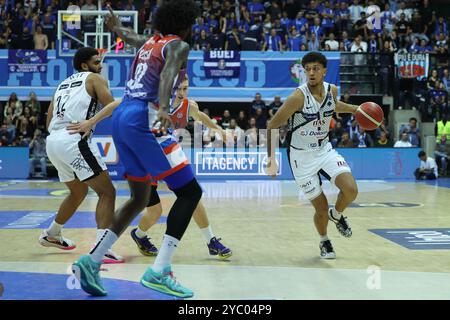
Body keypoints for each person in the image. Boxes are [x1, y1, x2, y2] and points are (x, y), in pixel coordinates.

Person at [70, 1, 201, 298]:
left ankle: (91, 261)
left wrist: (116, 28)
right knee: (190, 192)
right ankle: (160, 270)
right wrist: (166, 107)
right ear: (184, 24)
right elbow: (168, 74)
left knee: (140, 197)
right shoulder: (178, 44)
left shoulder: (151, 42)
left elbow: (130, 38)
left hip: (123, 116)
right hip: (146, 117)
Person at [266, 52, 367, 259]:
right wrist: (271, 158)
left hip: (324, 150)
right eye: (308, 69)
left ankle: (337, 215)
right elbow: (272, 125)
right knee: (320, 208)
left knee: (351, 190)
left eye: (315, 69)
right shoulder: (298, 97)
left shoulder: (332, 90)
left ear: (324, 71)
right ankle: (324, 241)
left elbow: (333, 106)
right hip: (301, 158)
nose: (311, 73)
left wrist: (356, 109)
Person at [127, 76, 232, 259]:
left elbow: (200, 117)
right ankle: (139, 235)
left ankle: (211, 241)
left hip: (167, 152)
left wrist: (219, 131)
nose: (181, 93)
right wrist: (92, 121)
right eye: (178, 89)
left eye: (185, 88)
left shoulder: (189, 105)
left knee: (193, 194)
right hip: (144, 157)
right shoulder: (153, 101)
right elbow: (118, 105)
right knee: (155, 211)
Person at [40, 47, 123, 263]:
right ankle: (101, 248)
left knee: (78, 192)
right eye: (97, 62)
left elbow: (49, 120)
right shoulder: (95, 78)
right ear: (85, 65)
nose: (101, 65)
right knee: (107, 193)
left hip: (53, 141)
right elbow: (112, 106)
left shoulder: (61, 85)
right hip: (74, 139)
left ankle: (52, 233)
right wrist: (91, 122)